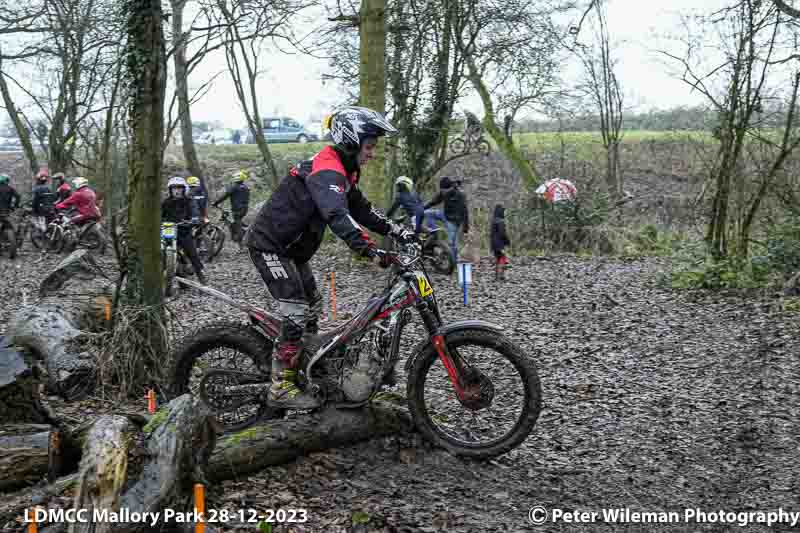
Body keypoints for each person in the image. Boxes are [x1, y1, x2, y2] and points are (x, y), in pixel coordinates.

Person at [244, 105, 414, 409]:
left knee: (314, 305)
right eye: (370, 145)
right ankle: (280, 385)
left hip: (292, 251)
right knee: (296, 310)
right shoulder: (327, 169)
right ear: (351, 140)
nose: (372, 153)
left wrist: (397, 230)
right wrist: (369, 250)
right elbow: (337, 214)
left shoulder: (342, 168)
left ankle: (306, 361)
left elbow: (360, 208)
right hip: (271, 246)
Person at [161, 176, 206, 285]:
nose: (177, 190)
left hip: (184, 231)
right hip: (168, 232)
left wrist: (194, 219)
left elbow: (195, 212)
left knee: (192, 253)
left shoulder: (189, 201)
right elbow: (159, 215)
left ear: (184, 189)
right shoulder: (166, 202)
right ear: (170, 190)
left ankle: (201, 276)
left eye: (179, 188)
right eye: (174, 188)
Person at [423, 176, 470, 263]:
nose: (442, 192)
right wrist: (421, 208)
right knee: (428, 213)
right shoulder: (448, 192)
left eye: (443, 190)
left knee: (452, 244)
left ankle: (453, 262)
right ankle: (433, 232)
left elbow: (465, 211)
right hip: (446, 215)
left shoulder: (457, 194)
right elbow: (434, 201)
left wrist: (465, 229)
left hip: (453, 221)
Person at [213, 170, 251, 246]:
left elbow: (225, 195)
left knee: (237, 226)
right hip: (244, 208)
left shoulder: (234, 187)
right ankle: (247, 230)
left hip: (237, 209)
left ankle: (241, 245)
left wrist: (216, 203)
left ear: (236, 179)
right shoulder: (245, 187)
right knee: (237, 222)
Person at [490, 204, 511, 276]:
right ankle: (502, 275)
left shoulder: (493, 221)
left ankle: (497, 275)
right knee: (503, 259)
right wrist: (507, 241)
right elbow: (502, 233)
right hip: (500, 244)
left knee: (498, 259)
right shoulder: (501, 221)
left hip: (494, 244)